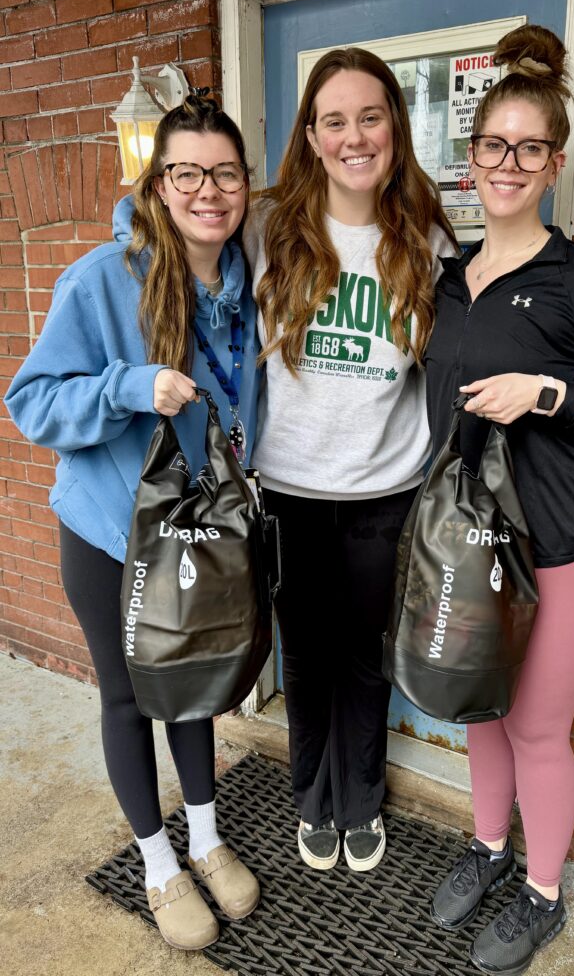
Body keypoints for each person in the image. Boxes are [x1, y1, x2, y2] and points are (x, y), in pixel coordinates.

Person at [425, 25, 574, 974]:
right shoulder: (450, 280)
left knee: (536, 726)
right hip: (471, 540)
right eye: (494, 146)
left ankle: (542, 892)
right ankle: (489, 852)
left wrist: (547, 393)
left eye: (530, 148)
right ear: (472, 158)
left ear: (555, 161)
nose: (509, 164)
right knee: (481, 709)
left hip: (562, 539)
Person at [5, 96, 261, 951]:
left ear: (244, 185)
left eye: (224, 172)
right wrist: (126, 386)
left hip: (200, 531)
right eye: (187, 172)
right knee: (128, 694)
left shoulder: (243, 282)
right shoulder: (100, 278)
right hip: (111, 534)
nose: (207, 190)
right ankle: (157, 863)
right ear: (158, 183)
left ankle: (206, 836)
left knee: (188, 685)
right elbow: (29, 402)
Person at [244, 47, 457, 873]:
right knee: (303, 656)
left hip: (385, 491)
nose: (354, 136)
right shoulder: (269, 226)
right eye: (335, 120)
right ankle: (313, 798)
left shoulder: (426, 237)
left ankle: (361, 799)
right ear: (311, 133)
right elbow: (162, 232)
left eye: (370, 117)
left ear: (395, 130)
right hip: (290, 489)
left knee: (368, 656)